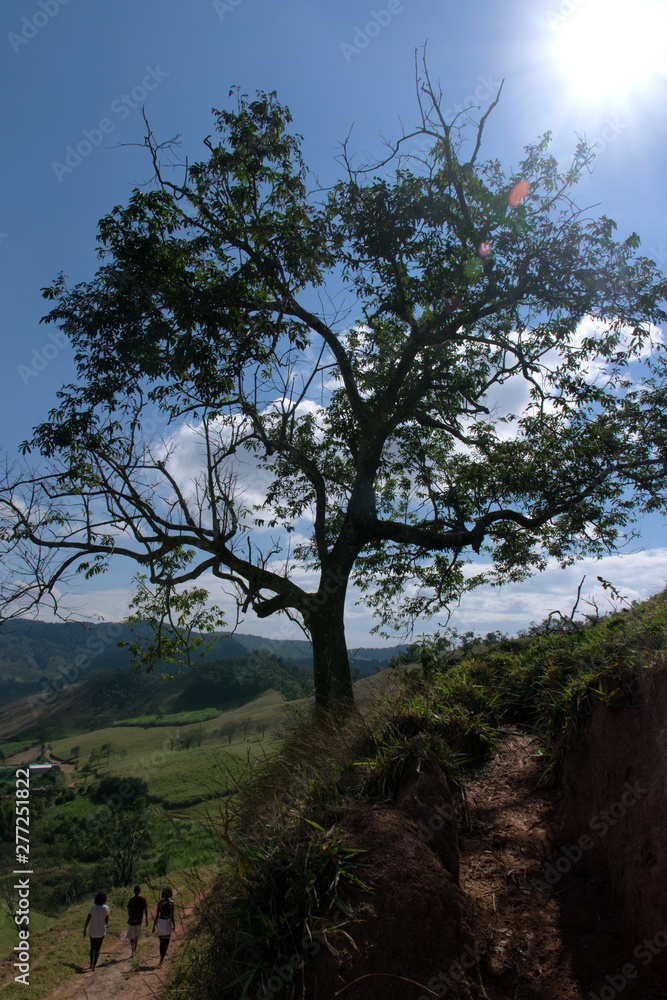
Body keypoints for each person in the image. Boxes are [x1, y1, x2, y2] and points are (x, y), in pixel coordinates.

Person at [82, 891, 109, 971]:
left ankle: (90, 964)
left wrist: (84, 929)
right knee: (97, 948)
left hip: (92, 931)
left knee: (92, 948)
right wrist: (105, 926)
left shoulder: (92, 908)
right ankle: (94, 965)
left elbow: (88, 919)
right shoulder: (106, 908)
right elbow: (106, 920)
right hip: (101, 931)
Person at [152, 887, 176, 967]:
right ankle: (162, 959)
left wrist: (154, 926)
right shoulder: (171, 903)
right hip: (167, 922)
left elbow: (156, 916)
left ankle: (161, 958)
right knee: (166, 941)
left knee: (161, 941)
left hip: (161, 923)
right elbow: (172, 916)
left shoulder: (160, 903)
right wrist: (174, 925)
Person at [126, 884, 149, 958]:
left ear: (134, 891)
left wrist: (130, 917)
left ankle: (132, 950)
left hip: (131, 921)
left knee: (131, 937)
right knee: (136, 936)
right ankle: (134, 950)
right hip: (139, 921)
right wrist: (147, 919)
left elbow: (129, 910)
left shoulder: (131, 900)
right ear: (140, 891)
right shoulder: (143, 899)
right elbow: (145, 910)